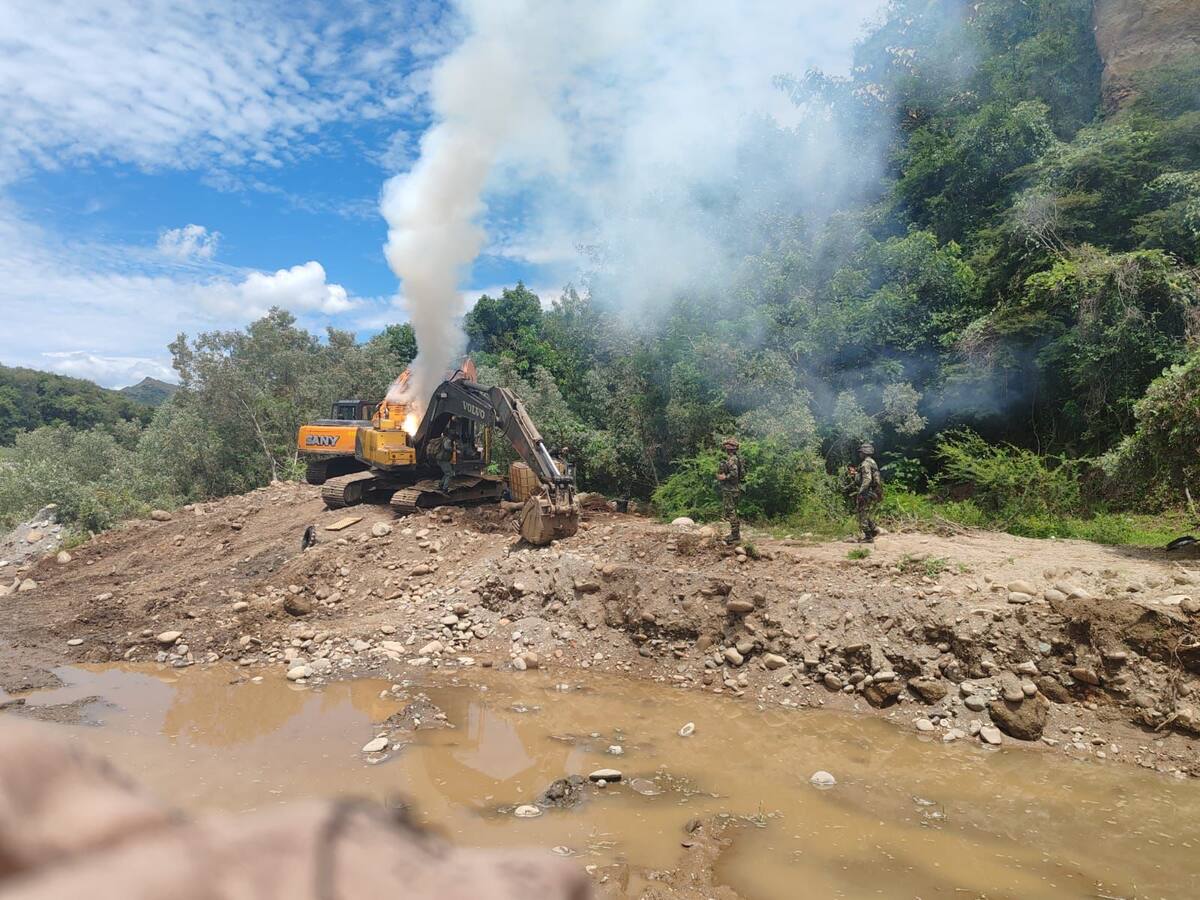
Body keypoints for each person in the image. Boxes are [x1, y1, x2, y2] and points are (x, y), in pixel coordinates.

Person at [851, 441, 883, 542]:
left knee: (862, 513)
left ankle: (868, 536)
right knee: (866, 512)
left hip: (866, 491)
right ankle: (873, 529)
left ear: (864, 453)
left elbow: (867, 479)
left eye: (860, 452)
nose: (859, 454)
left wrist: (861, 491)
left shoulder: (865, 464)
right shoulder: (872, 462)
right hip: (873, 491)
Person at [716, 437, 744, 545]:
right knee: (732, 511)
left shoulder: (732, 459)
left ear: (729, 448)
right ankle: (735, 534)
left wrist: (724, 477)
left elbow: (734, 474)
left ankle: (735, 535)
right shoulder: (737, 458)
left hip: (730, 489)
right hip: (734, 489)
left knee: (731, 511)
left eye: (727, 447)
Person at [435, 418, 458, 492]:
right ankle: (445, 489)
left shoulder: (444, 438)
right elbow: (446, 447)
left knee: (447, 473)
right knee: (449, 474)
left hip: (442, 459)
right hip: (443, 459)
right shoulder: (448, 440)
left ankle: (441, 485)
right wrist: (454, 450)